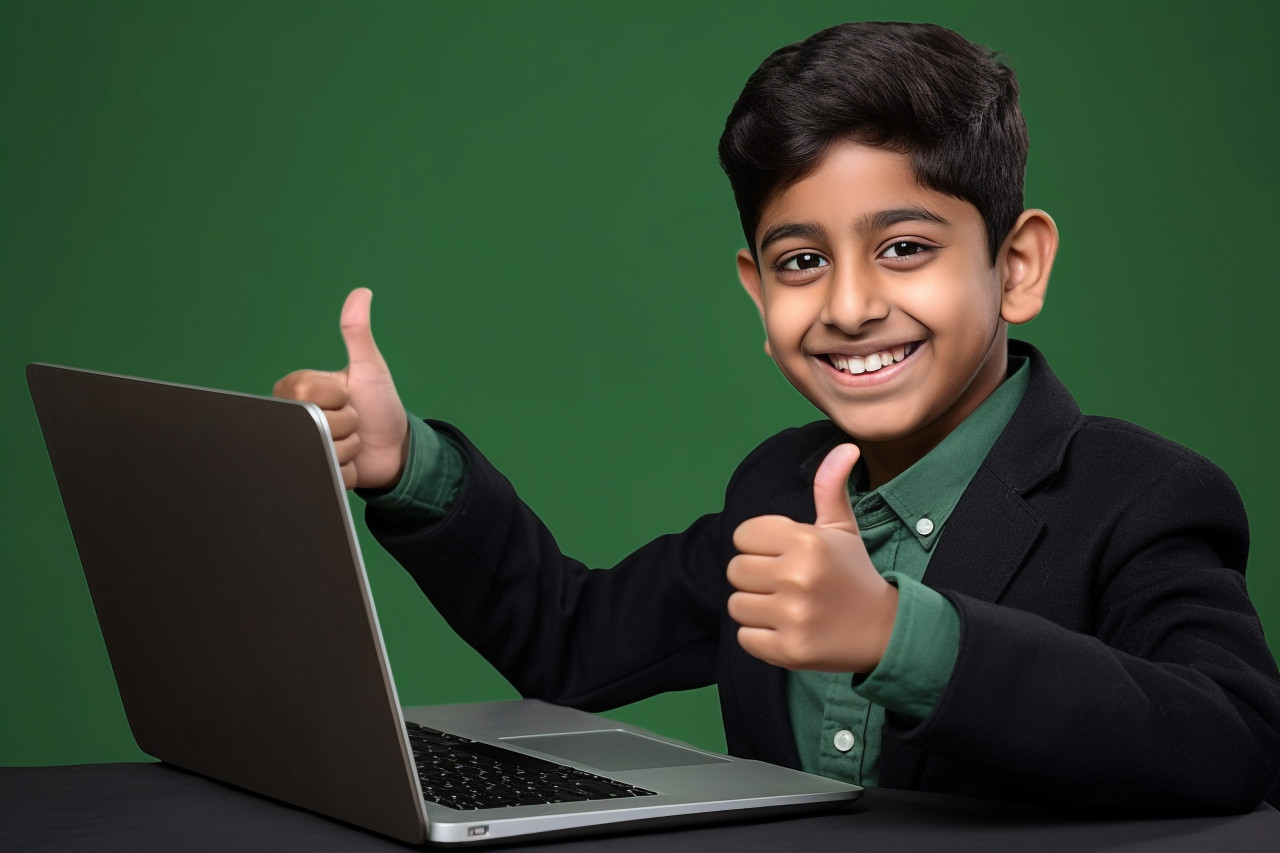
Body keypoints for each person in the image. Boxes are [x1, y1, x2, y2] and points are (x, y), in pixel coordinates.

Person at [274, 21, 1280, 814]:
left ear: (1014, 266)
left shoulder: (1139, 496)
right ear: (759, 296)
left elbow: (1232, 739)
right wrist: (410, 462)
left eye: (903, 248)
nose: (846, 305)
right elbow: (568, 641)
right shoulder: (775, 489)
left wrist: (900, 635)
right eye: (802, 263)